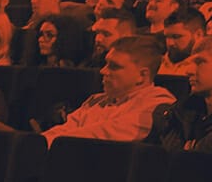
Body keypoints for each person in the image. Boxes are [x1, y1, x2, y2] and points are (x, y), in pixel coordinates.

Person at [40, 36, 177, 145]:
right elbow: (67, 128)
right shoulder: (98, 100)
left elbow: (101, 135)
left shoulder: (157, 105)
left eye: (114, 67)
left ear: (142, 75)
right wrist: (35, 145)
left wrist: (41, 145)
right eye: (106, 64)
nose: (103, 71)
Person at [156, 8, 207, 77]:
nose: (170, 43)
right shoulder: (155, 64)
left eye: (176, 37)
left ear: (198, 34)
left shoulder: (209, 68)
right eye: (167, 37)